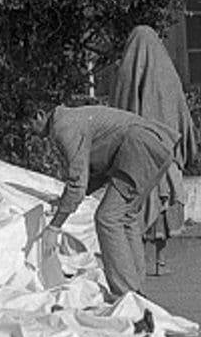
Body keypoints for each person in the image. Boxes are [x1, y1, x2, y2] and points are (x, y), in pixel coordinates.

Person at [27, 101, 176, 299]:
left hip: (139, 149)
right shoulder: (73, 119)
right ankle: (136, 289)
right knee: (126, 217)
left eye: (29, 125)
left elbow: (77, 184)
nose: (30, 132)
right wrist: (64, 201)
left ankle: (126, 293)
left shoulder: (64, 127)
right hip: (155, 146)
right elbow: (88, 177)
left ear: (39, 115)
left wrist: (54, 227)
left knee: (107, 218)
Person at [110, 25, 197, 273]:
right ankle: (161, 260)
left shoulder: (126, 72)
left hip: (137, 156)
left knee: (137, 207)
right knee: (164, 205)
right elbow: (182, 113)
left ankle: (138, 262)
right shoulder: (168, 73)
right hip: (166, 154)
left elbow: (118, 110)